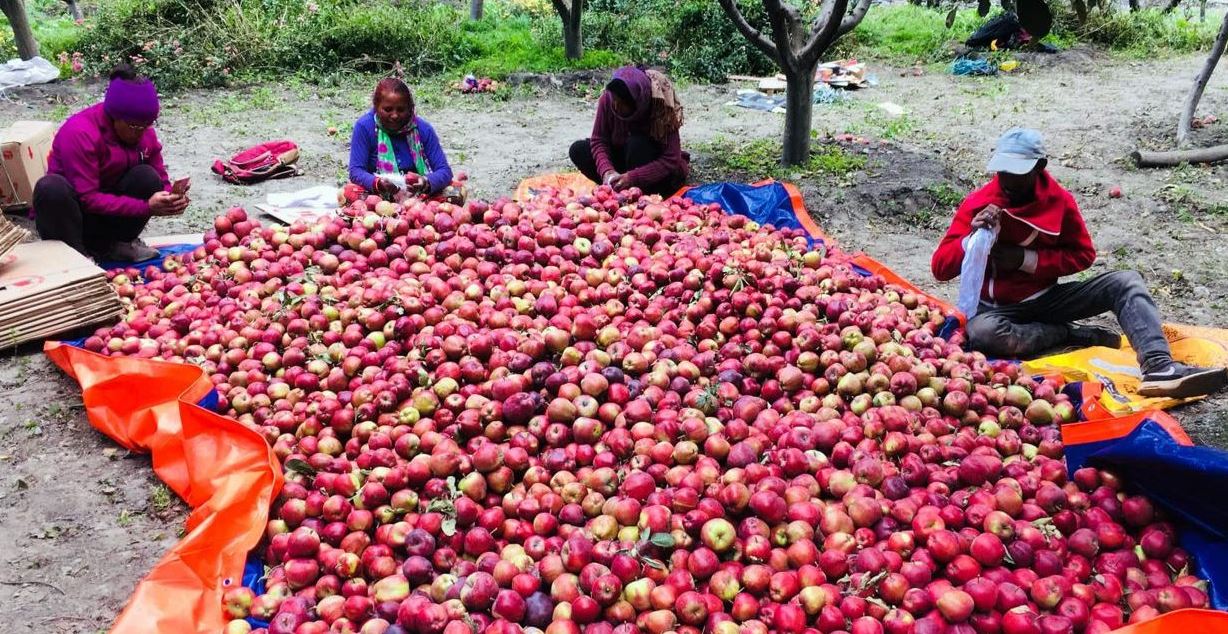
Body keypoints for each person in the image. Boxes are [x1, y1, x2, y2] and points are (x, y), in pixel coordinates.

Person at [932, 127, 1226, 399]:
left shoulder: (1059, 201)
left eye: (1017, 173)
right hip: (995, 311)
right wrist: (970, 240)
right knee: (982, 333)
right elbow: (940, 268)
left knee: (1126, 282)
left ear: (1039, 167)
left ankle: (1159, 367)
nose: (1007, 180)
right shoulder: (980, 203)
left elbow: (1083, 255)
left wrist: (1026, 260)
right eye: (1002, 171)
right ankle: (1067, 333)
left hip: (1046, 299)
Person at [33, 64, 187, 262]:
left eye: (147, 125)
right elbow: (88, 198)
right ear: (114, 117)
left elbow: (159, 173)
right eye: (134, 126)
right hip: (73, 215)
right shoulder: (80, 133)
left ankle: (114, 245)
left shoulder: (143, 132)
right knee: (50, 188)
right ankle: (76, 257)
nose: (140, 132)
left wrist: (170, 197)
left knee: (147, 176)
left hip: (107, 214)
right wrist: (146, 207)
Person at [569, 65, 689, 197]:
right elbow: (599, 140)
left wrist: (633, 178)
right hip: (623, 162)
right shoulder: (607, 100)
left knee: (637, 143)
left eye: (621, 103)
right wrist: (607, 171)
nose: (615, 106)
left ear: (637, 102)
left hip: (651, 167)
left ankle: (638, 193)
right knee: (578, 150)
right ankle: (615, 186)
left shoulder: (660, 106)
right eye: (614, 100)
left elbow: (671, 158)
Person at [348, 77, 461, 203]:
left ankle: (418, 213)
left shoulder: (423, 129)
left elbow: (444, 171)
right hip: (379, 196)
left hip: (418, 195)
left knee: (457, 191)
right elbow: (356, 171)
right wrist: (378, 183)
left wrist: (425, 182)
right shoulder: (365, 126)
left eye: (401, 110)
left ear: (410, 108)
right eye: (388, 109)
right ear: (376, 107)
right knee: (348, 192)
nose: (395, 115)